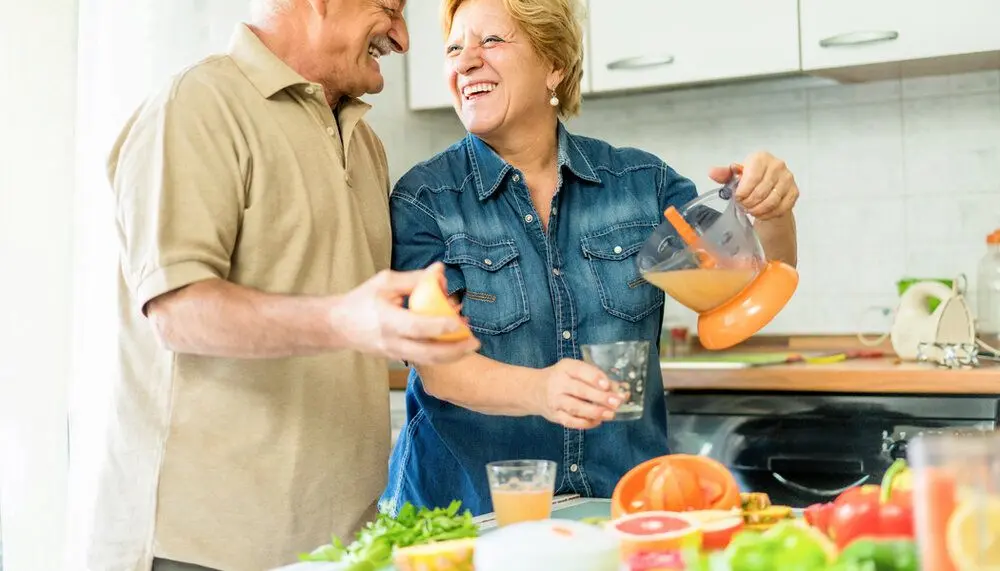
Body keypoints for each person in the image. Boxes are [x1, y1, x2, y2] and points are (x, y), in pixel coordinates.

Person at [90, 1, 480, 570]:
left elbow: (346, 310)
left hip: (336, 547)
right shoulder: (197, 105)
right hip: (203, 551)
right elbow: (179, 312)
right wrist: (345, 321)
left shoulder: (364, 142)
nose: (401, 37)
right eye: (389, 8)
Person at [380, 0, 799, 517]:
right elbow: (439, 366)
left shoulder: (641, 186)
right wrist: (539, 389)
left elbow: (744, 297)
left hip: (621, 510)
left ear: (553, 64)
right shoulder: (425, 199)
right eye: (453, 48)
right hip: (471, 520)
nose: (464, 62)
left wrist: (772, 210)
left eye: (491, 41)